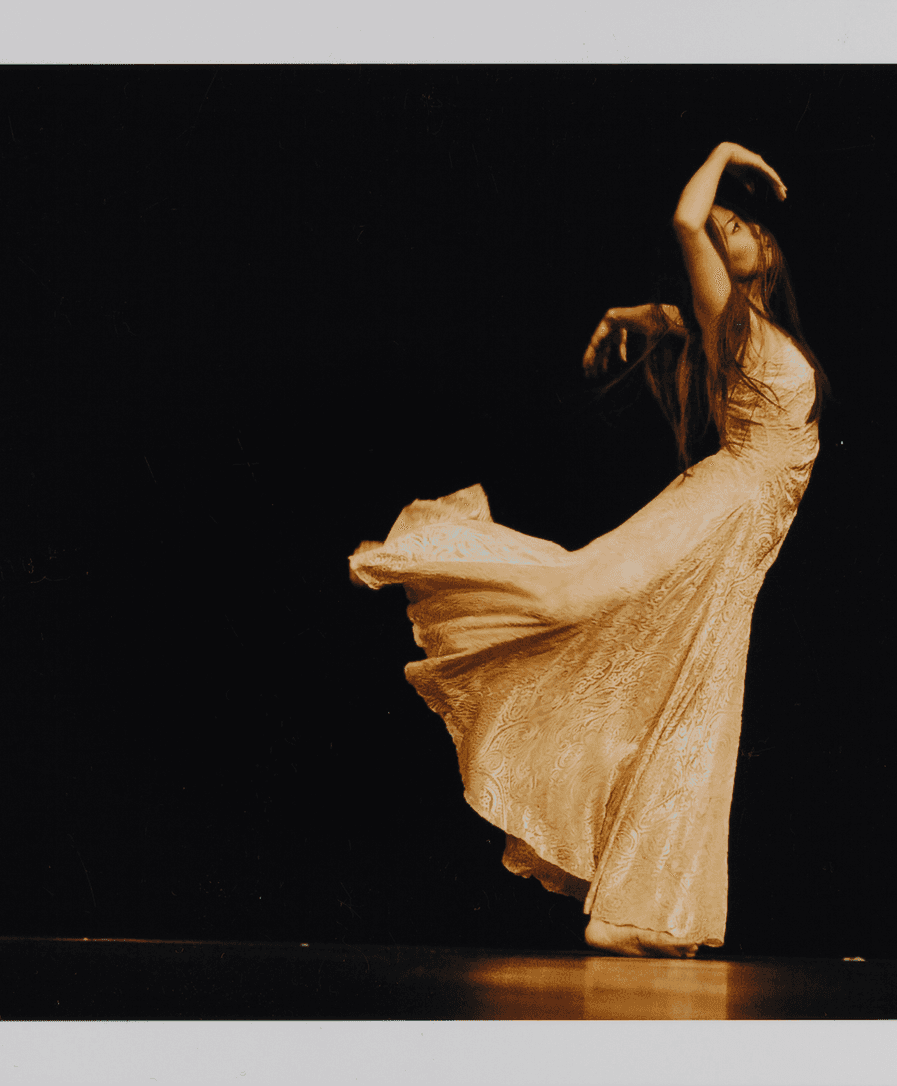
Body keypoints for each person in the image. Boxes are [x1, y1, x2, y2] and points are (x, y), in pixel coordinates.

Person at [350, 143, 827, 957]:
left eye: (743, 226)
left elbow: (672, 317)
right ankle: (430, 552)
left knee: (697, 707)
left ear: (770, 251)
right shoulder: (734, 321)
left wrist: (623, 317)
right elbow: (687, 219)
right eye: (726, 229)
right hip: (717, 511)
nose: (726, 232)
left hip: (741, 543)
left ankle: (640, 913)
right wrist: (728, 154)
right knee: (574, 596)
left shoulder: (750, 325)